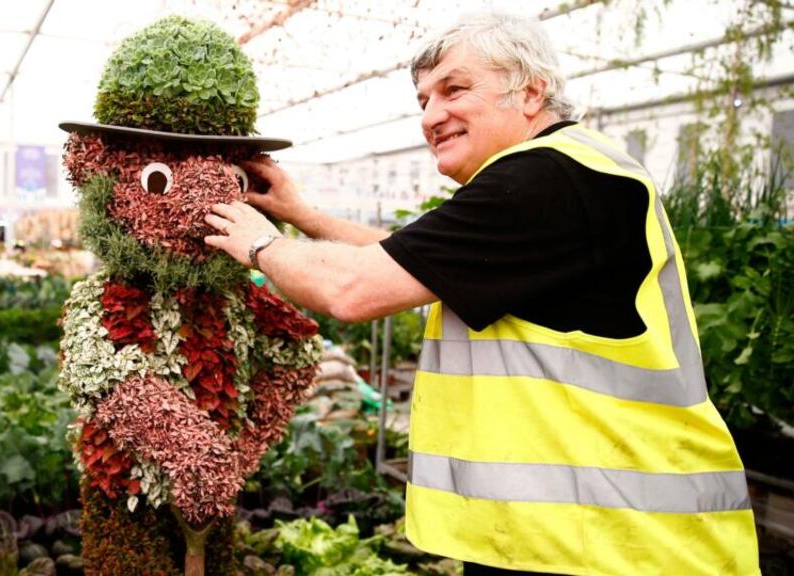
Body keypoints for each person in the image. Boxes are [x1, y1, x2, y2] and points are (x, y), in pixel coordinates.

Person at [204, 11, 759, 576]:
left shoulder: (545, 180)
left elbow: (352, 289)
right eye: (423, 100)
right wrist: (301, 215)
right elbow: (408, 259)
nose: (431, 115)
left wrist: (258, 245)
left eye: (455, 89)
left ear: (531, 90)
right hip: (585, 531)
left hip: (615, 542)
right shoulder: (565, 174)